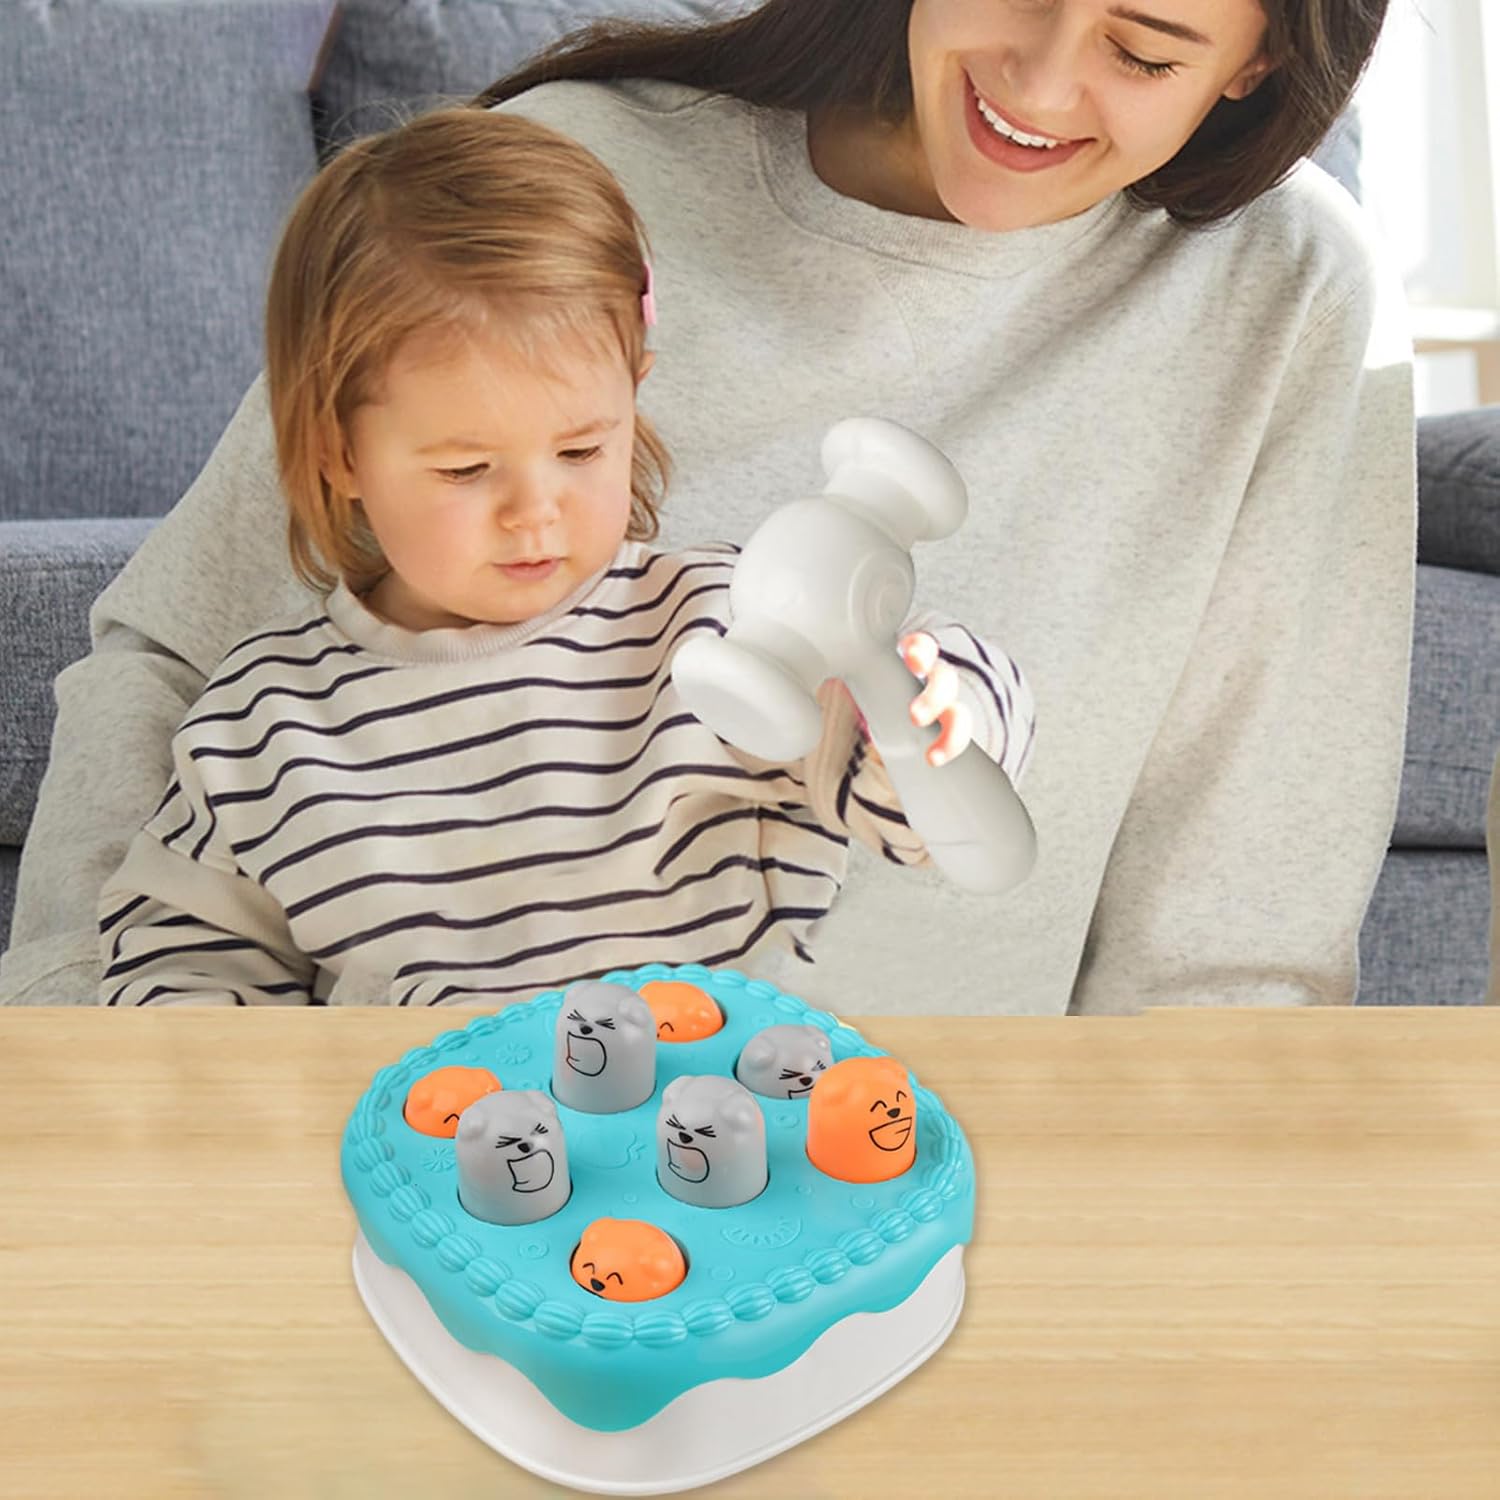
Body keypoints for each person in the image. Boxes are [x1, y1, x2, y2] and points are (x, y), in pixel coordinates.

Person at [1, 0, 1413, 1014]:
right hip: (422, 1165)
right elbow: (173, 657)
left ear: (1258, 58)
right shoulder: (562, 183)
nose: (1039, 84)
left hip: (916, 1185)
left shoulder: (1290, 296)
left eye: (1143, 48)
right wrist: (76, 1081)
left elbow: (1237, 937)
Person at [93, 107, 1031, 1007]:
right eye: (467, 469)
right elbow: (176, 972)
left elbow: (916, 815)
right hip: (424, 1118)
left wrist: (933, 712)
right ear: (338, 453)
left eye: (581, 450)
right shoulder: (261, 730)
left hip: (719, 1104)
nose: (534, 513)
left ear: (633, 395)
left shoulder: (721, 630)